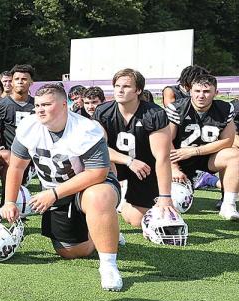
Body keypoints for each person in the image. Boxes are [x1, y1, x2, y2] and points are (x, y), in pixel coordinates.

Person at [0, 83, 123, 291]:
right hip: (56, 191)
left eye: (47, 104)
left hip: (90, 186)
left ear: (64, 105)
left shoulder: (86, 129)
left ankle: (108, 265)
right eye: (37, 105)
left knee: (97, 197)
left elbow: (97, 173)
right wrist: (10, 201)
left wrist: (54, 194)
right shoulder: (28, 127)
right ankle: (103, 230)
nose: (40, 109)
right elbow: (16, 167)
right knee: (70, 251)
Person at [94, 68, 174, 227]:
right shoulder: (103, 111)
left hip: (144, 168)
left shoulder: (154, 114)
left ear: (138, 90)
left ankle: (124, 201)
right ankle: (112, 194)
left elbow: (162, 157)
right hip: (116, 164)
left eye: (126, 87)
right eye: (117, 86)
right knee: (100, 162)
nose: (120, 90)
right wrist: (129, 161)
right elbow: (100, 149)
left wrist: (165, 196)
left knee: (136, 220)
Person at [165, 74, 239, 220]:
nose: (201, 96)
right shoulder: (177, 108)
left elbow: (227, 141)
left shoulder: (224, 108)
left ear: (215, 93)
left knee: (234, 155)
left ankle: (228, 204)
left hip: (207, 157)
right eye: (197, 91)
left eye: (206, 92)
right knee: (176, 204)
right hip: (178, 159)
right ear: (190, 91)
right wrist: (173, 168)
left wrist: (195, 151)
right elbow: (166, 141)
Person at [0, 65, 35, 178]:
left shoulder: (37, 104)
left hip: (33, 151)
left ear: (31, 82)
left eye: (24, 79)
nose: (20, 82)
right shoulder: (1, 104)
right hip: (10, 152)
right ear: (12, 82)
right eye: (16, 79)